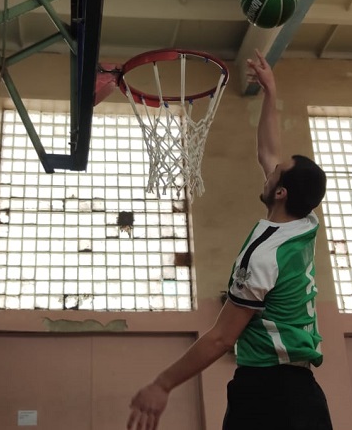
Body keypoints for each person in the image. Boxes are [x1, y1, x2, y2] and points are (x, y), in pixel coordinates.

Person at [126, 50, 332, 430]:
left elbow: (222, 338)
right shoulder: (305, 222)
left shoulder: (263, 255)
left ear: (281, 192)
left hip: (267, 394)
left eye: (276, 172)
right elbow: (268, 150)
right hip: (304, 393)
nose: (270, 168)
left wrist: (162, 384)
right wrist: (271, 92)